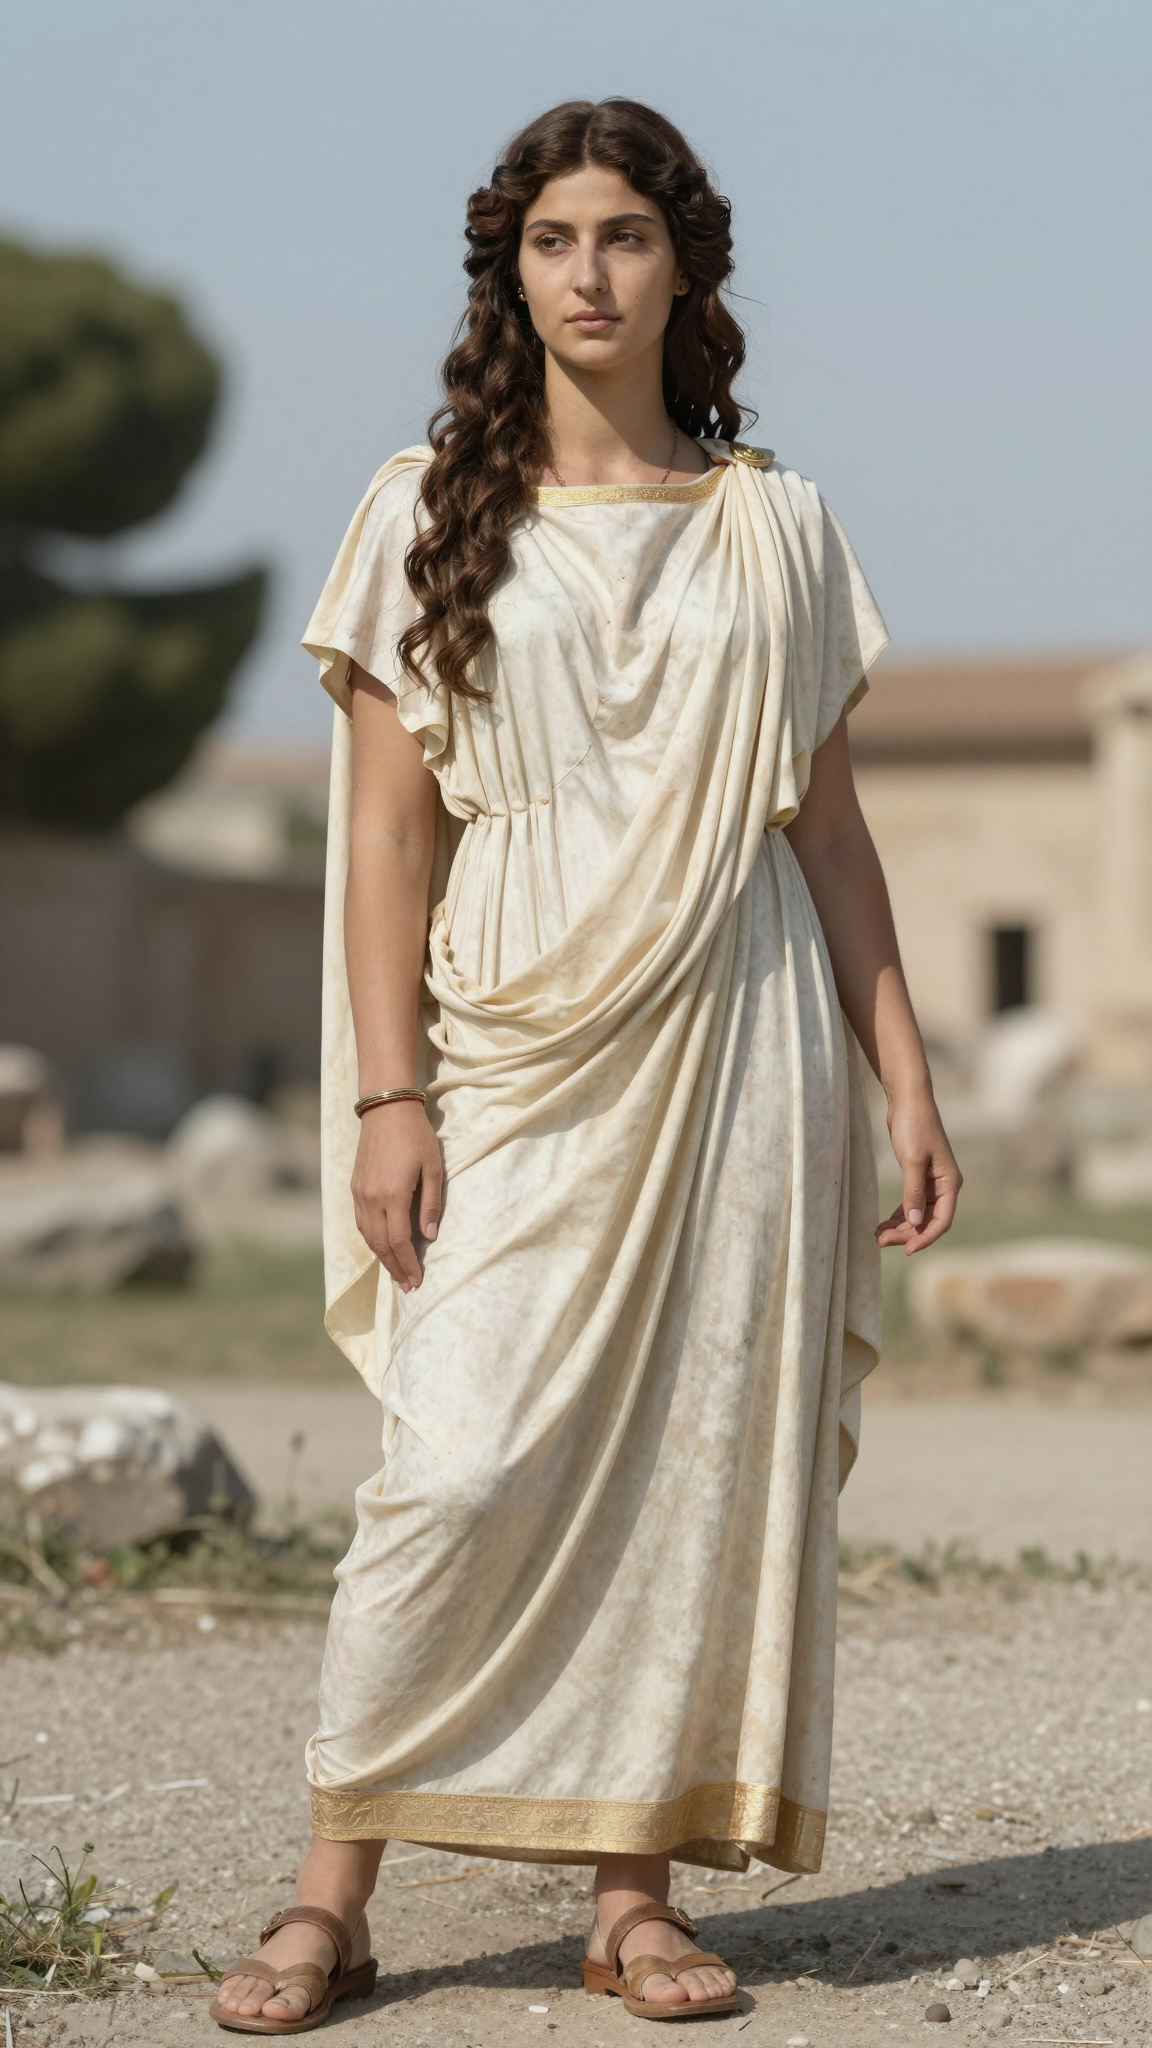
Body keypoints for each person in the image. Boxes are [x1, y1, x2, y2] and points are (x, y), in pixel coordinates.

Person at [210, 96, 961, 2035]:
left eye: (625, 234)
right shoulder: (424, 509)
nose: (590, 273)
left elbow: (829, 829)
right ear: (511, 274)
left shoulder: (776, 524)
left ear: (686, 265)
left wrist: (906, 1072)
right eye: (553, 240)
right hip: (510, 1039)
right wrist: (390, 1098)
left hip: (739, 1037)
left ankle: (631, 1897)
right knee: (450, 1469)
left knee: (691, 1468)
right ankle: (330, 1892)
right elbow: (388, 839)